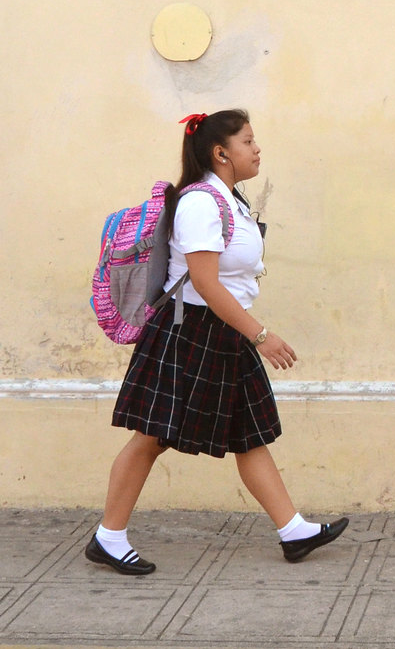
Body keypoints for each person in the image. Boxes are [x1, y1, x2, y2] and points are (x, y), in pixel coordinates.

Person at [89, 109, 349, 574]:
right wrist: (261, 335)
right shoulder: (201, 203)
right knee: (151, 437)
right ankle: (108, 537)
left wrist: (247, 331)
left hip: (221, 332)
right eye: (248, 141)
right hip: (190, 332)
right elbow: (206, 284)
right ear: (220, 152)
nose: (257, 149)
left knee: (249, 434)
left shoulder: (231, 201)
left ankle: (293, 531)